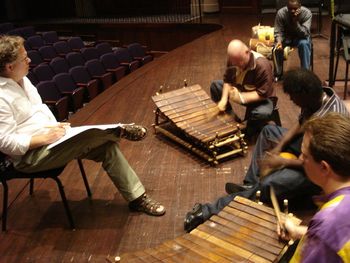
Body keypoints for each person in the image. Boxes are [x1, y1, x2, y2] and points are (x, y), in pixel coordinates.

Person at [0, 35, 165, 217]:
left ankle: (137, 198)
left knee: (107, 147)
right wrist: (43, 138)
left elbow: (36, 112)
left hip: (52, 139)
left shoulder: (24, 80)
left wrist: (53, 127)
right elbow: (5, 142)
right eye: (24, 58)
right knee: (89, 135)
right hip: (30, 158)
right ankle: (119, 129)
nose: (29, 60)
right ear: (10, 67)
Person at [184, 68, 349, 232]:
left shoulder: (331, 116)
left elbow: (319, 163)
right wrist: (278, 148)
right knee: (268, 131)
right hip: (309, 149)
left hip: (320, 171)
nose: (291, 100)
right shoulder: (315, 99)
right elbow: (299, 125)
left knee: (270, 184)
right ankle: (251, 185)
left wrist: (283, 161)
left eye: (293, 97)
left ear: (305, 94)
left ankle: (209, 211)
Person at [278, 112, 350, 262]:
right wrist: (299, 232)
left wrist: (319, 233)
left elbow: (330, 233)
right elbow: (338, 239)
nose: (300, 159)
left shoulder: (329, 222)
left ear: (324, 167)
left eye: (305, 155)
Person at [210, 39, 275, 137]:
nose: (237, 65)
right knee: (215, 86)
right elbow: (227, 81)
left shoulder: (262, 65)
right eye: (234, 62)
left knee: (261, 113)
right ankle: (231, 119)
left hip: (262, 99)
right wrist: (223, 100)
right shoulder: (234, 60)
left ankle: (247, 130)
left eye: (240, 61)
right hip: (242, 89)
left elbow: (263, 94)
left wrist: (240, 97)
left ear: (247, 52)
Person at [272, 0, 312, 81]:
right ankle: (278, 73)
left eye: (295, 8)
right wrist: (279, 41)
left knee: (304, 44)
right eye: (290, 9)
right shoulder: (281, 13)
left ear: (300, 7)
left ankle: (305, 74)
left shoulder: (307, 13)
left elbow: (304, 34)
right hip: (286, 37)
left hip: (300, 38)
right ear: (287, 7)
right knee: (276, 47)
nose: (292, 11)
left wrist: (296, 21)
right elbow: (278, 31)